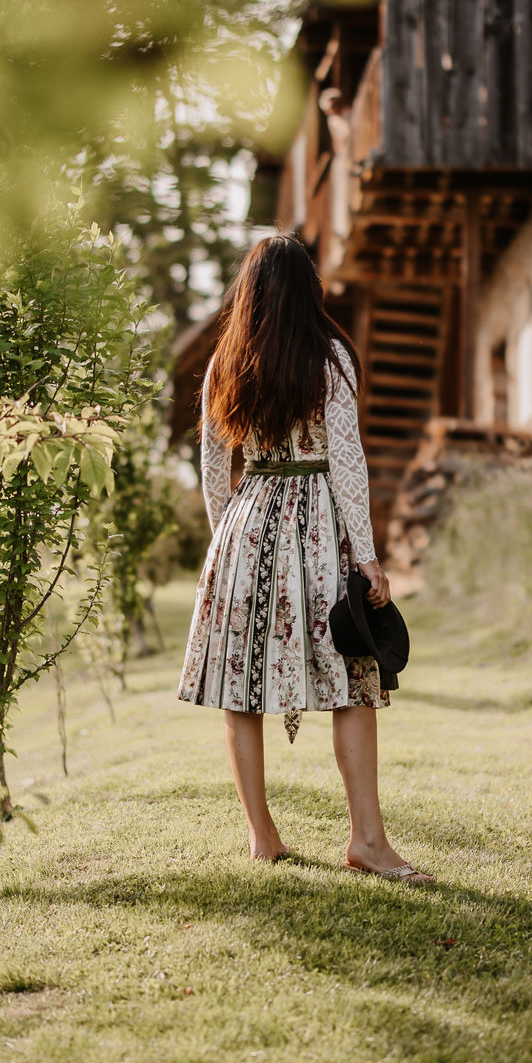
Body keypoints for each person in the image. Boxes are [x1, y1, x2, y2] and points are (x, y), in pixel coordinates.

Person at [177, 234, 435, 886]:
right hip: (318, 523)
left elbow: (213, 464)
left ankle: (262, 837)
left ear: (250, 292)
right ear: (308, 290)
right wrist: (368, 557)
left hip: (247, 521)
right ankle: (367, 841)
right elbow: (346, 462)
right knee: (353, 675)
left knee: (242, 685)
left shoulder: (226, 362)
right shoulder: (331, 357)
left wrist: (223, 540)